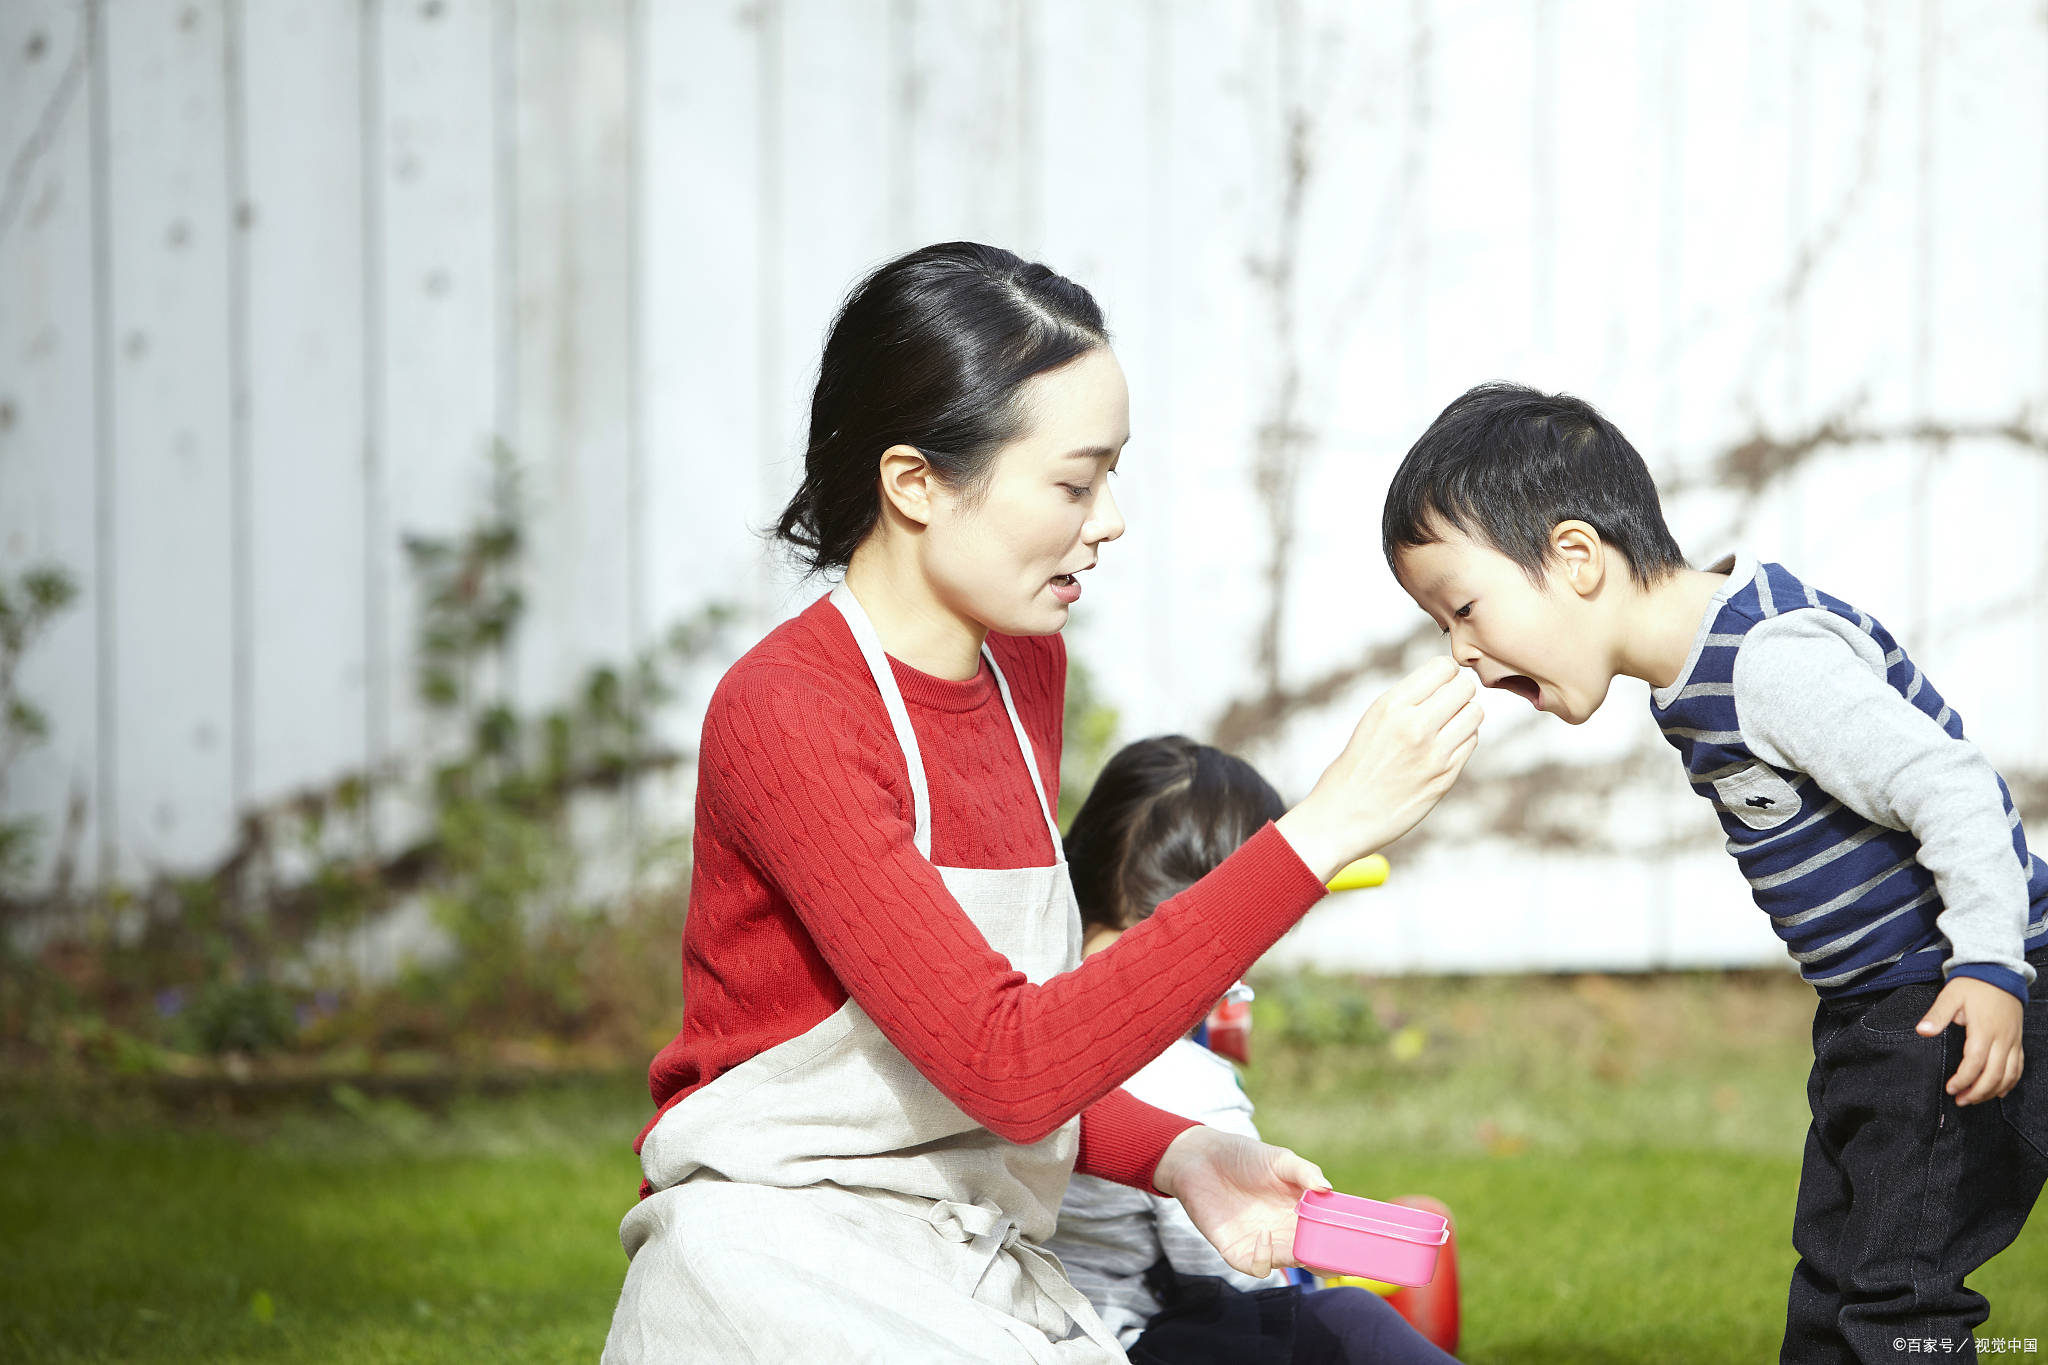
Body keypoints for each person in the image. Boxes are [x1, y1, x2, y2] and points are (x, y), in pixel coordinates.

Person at [601, 242, 1484, 1363]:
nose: (1108, 520)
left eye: (1111, 475)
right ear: (914, 482)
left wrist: (1179, 1154)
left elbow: (971, 1048)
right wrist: (1318, 834)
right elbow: (1003, 1062)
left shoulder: (1020, 673)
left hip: (968, 1260)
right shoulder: (787, 713)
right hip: (787, 1282)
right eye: (1072, 483)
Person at [1379, 380, 2048, 1363]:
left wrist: (1988, 968)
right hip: (1874, 1013)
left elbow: (1949, 787)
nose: (1461, 652)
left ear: (1573, 557)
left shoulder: (1765, 659)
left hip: (1947, 999)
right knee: (1834, 1276)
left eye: (1464, 607)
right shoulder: (1691, 677)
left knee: (1892, 1301)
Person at [1048, 734, 1462, 1365]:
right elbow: (1229, 1261)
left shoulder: (1032, 1008)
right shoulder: (1181, 1075)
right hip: (1126, 1342)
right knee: (1349, 1321)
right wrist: (1305, 1282)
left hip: (1022, 1313)